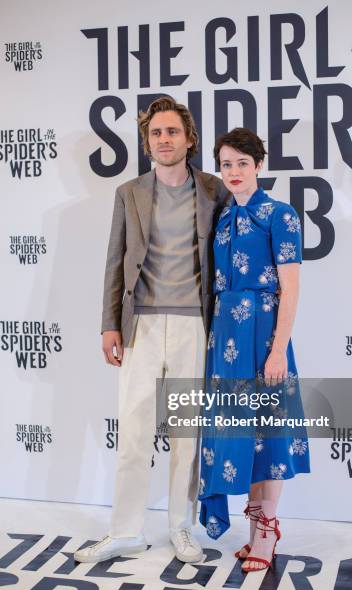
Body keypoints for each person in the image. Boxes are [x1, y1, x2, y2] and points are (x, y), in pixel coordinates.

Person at [74, 97, 228, 564]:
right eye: (156, 133)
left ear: (189, 139)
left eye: (172, 132)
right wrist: (108, 326)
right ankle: (124, 532)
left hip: (194, 327)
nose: (165, 140)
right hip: (139, 325)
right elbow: (114, 262)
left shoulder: (214, 190)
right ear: (147, 143)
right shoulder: (129, 192)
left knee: (187, 435)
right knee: (135, 431)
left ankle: (182, 528)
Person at [198, 128, 310, 572]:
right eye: (226, 164)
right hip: (225, 340)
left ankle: (266, 534)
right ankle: (252, 531)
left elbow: (291, 289)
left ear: (259, 166)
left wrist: (278, 350)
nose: (234, 172)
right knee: (237, 433)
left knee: (268, 432)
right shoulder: (222, 217)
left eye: (242, 163)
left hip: (265, 335)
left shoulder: (280, 216)